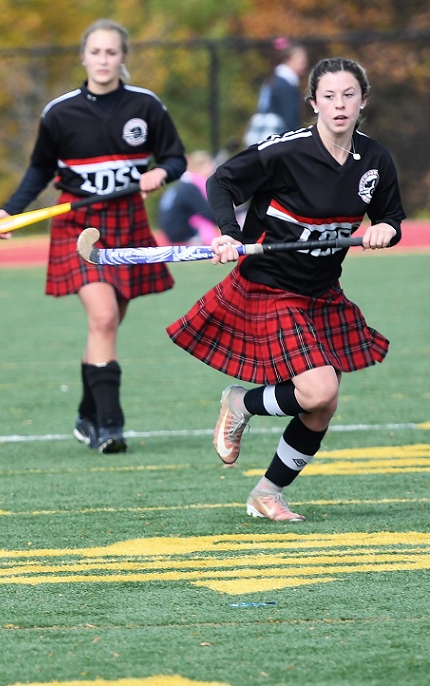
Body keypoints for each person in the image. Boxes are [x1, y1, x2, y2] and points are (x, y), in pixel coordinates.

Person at [167, 58, 401, 522]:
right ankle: (240, 402)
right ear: (313, 103)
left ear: (363, 102)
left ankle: (267, 492)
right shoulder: (285, 152)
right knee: (317, 390)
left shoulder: (374, 159)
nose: (339, 105)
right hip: (269, 286)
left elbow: (392, 217)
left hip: (321, 290)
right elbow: (223, 181)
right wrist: (228, 231)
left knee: (322, 405)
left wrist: (385, 230)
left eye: (349, 95)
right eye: (329, 96)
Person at [0, 18, 187, 454]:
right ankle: (111, 428)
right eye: (95, 52)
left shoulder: (145, 106)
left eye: (111, 52)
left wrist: (160, 172)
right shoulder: (60, 112)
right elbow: (40, 169)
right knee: (103, 320)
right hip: (78, 227)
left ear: (123, 58)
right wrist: (10, 211)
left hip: (128, 225)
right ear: (83, 57)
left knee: (108, 325)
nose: (103, 60)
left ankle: (86, 415)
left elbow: (176, 158)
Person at [244, 38, 309, 145]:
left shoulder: (274, 78)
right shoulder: (285, 84)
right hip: (276, 137)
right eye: (301, 60)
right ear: (288, 59)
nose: (305, 65)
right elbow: (289, 118)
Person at [157, 150, 217, 245]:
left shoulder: (182, 184)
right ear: (199, 167)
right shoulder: (191, 186)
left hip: (170, 230)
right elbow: (208, 213)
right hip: (181, 232)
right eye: (209, 167)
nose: (212, 172)